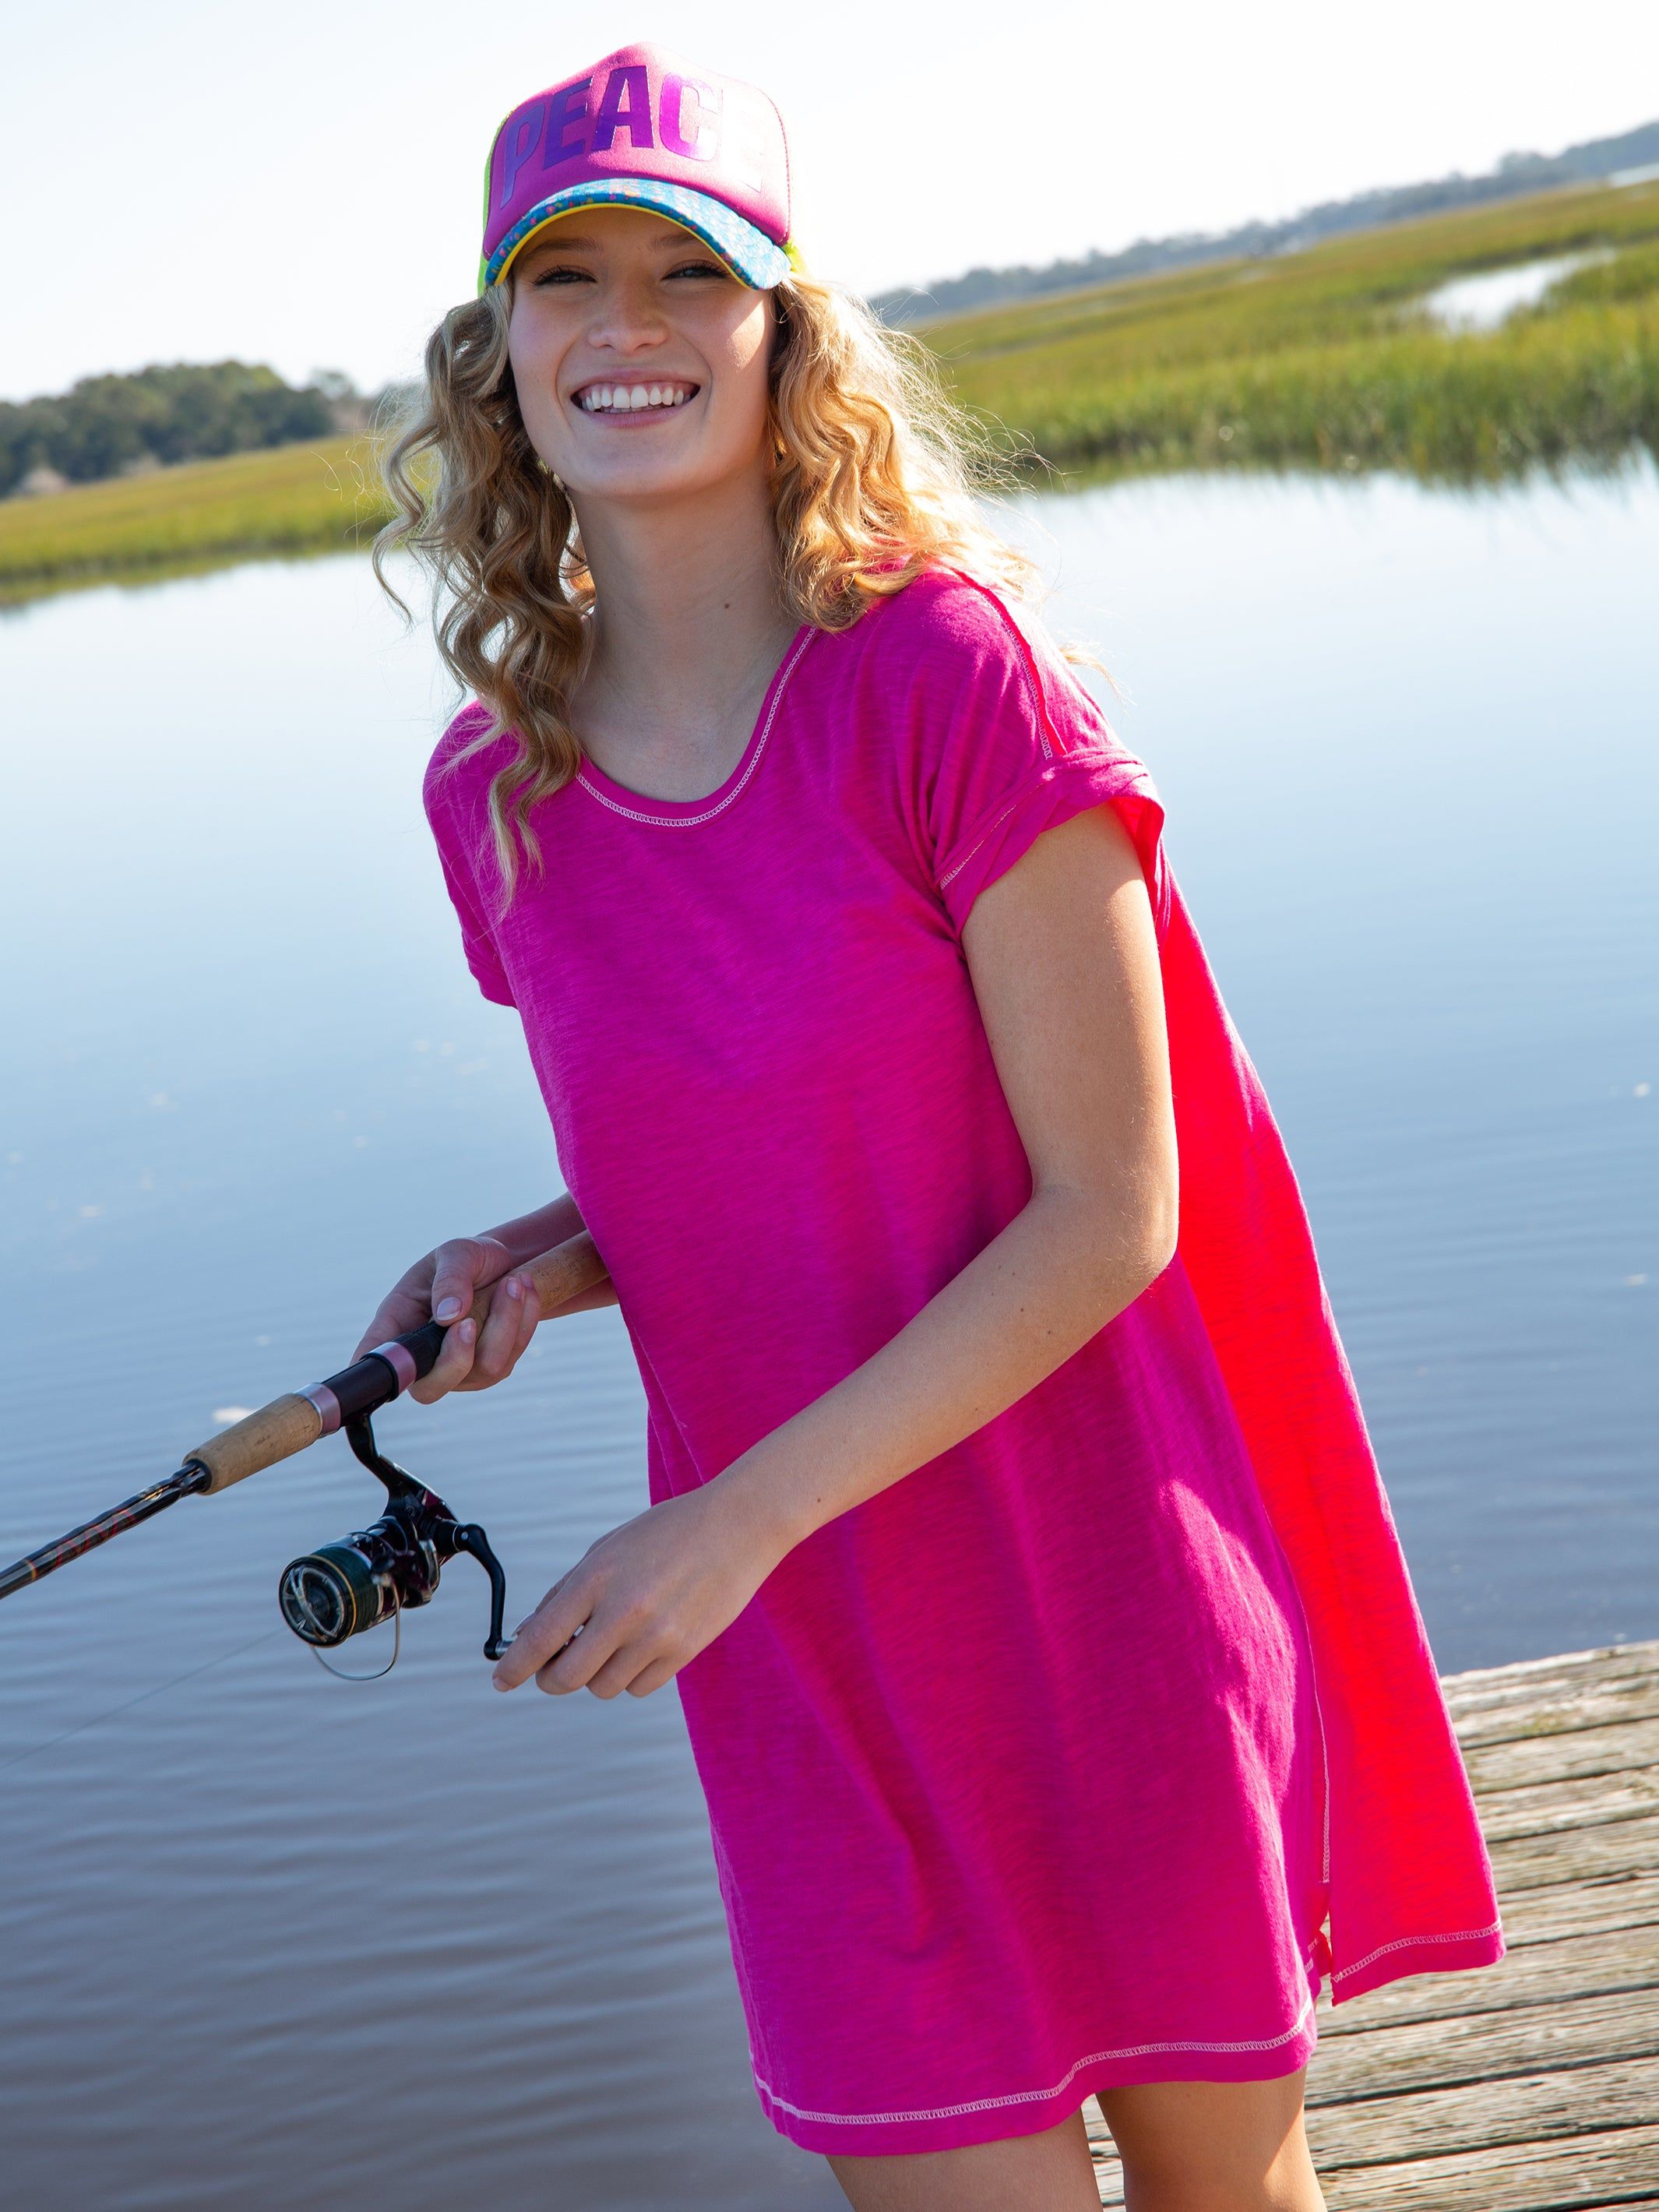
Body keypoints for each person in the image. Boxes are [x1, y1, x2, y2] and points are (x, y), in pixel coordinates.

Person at [358, 43, 1503, 2212]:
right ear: (493, 355)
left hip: (1103, 1601)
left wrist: (721, 1528)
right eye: (563, 281)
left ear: (783, 330)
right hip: (815, 1671)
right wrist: (534, 1257)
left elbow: (1107, 1209)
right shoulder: (491, 799)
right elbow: (743, 1144)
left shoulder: (949, 676)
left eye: (687, 279)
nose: (626, 332)